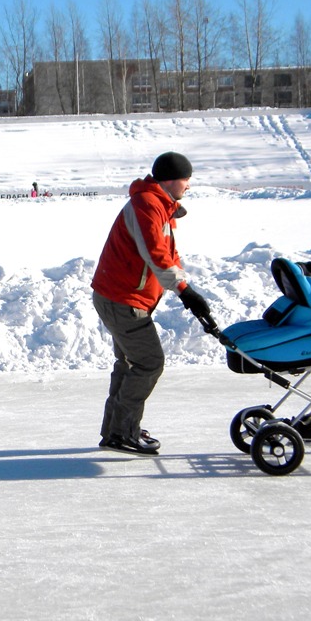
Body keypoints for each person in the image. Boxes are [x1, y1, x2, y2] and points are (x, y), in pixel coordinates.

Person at [90, 152, 215, 455]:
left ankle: (116, 430)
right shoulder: (147, 204)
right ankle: (123, 431)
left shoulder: (160, 205)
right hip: (122, 299)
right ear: (171, 180)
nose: (189, 185)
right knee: (148, 363)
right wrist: (185, 291)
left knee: (130, 363)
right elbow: (156, 255)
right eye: (187, 179)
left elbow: (168, 254)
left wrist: (184, 287)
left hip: (122, 295)